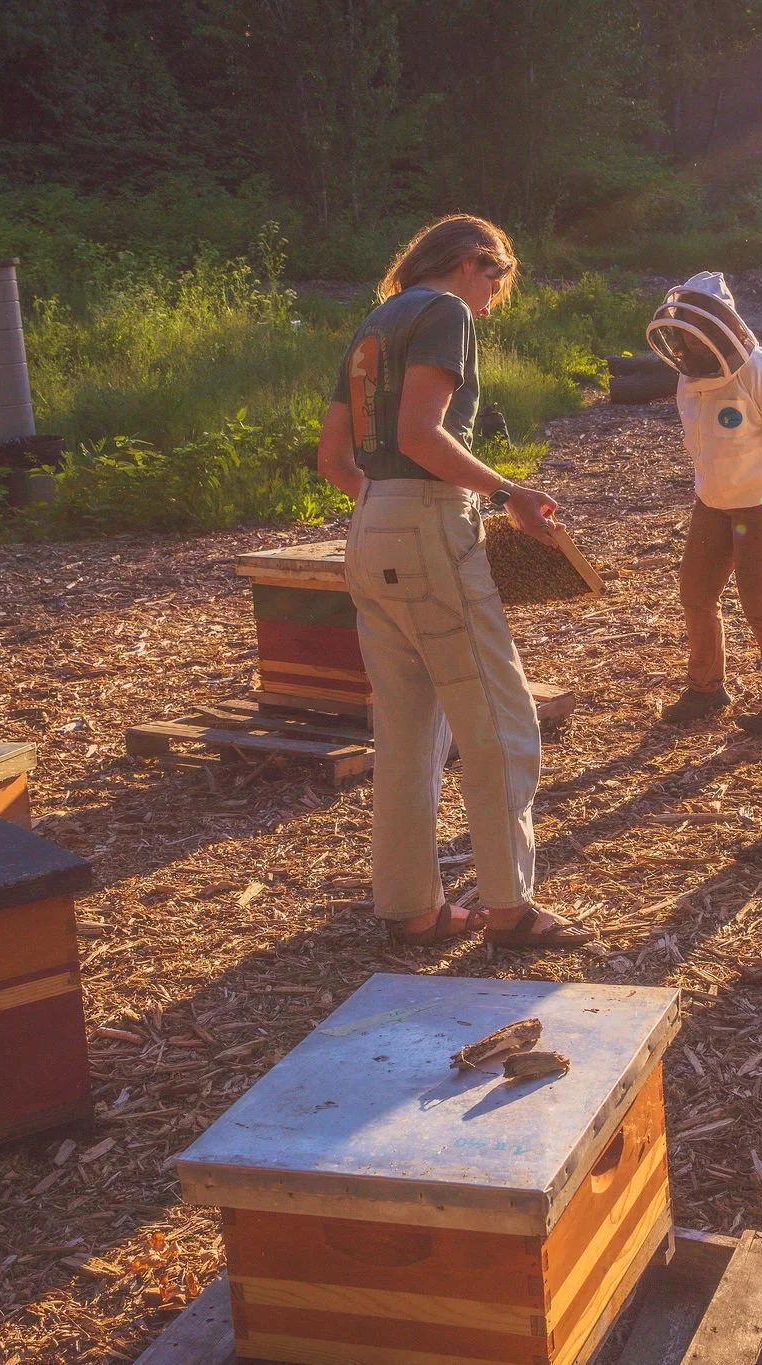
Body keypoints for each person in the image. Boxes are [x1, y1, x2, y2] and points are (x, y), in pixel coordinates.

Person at [314, 215, 592, 949]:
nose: (494, 301)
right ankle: (511, 909)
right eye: (497, 283)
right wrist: (510, 493)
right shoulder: (444, 312)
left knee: (405, 733)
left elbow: (335, 461)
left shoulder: (376, 322)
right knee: (500, 724)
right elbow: (420, 434)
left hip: (370, 524)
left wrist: (390, 512)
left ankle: (411, 908)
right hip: (431, 521)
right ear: (474, 262)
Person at [647, 272, 762, 738]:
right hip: (714, 496)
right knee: (696, 590)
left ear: (719, 330)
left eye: (693, 337)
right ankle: (707, 688)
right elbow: (703, 442)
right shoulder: (690, 378)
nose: (685, 348)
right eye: (681, 337)